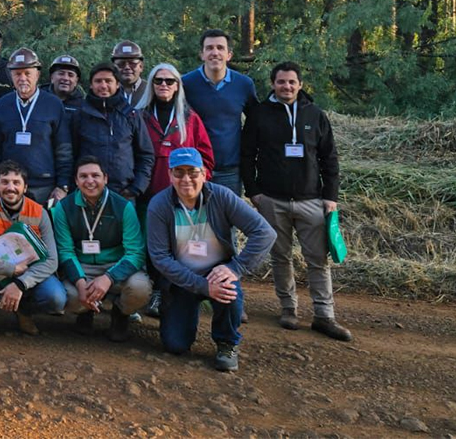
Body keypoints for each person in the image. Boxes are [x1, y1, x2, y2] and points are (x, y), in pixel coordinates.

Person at [241, 61, 352, 342]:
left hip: (311, 200)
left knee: (318, 260)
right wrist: (254, 191)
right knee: (280, 257)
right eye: (281, 82)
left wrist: (331, 197)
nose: (286, 87)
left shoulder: (315, 115)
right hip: (271, 200)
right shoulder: (259, 114)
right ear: (273, 84)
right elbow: (246, 155)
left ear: (300, 84)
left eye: (291, 82)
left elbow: (330, 159)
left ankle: (324, 315)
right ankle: (288, 309)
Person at [148, 147, 274, 372]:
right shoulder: (159, 205)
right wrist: (202, 287)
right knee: (175, 345)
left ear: (204, 173)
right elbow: (160, 257)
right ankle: (185, 313)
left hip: (218, 272)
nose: (186, 179)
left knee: (228, 289)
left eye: (193, 172)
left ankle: (227, 342)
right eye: (178, 172)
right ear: (169, 175)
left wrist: (236, 267)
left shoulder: (222, 196)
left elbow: (264, 232)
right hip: (182, 277)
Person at [0, 162, 65, 340]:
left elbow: (52, 260)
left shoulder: (39, 213)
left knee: (56, 297)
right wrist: (9, 269)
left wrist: (20, 283)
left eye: (16, 182)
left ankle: (24, 311)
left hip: (27, 273)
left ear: (25, 187)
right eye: (5, 182)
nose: (10, 187)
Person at [55, 157, 153, 341]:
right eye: (83, 176)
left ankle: (120, 312)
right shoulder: (64, 207)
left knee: (140, 289)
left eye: (95, 175)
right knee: (68, 295)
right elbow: (65, 251)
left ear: (105, 178)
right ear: (76, 180)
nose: (89, 181)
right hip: (83, 266)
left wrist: (109, 278)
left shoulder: (123, 206)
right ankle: (85, 312)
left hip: (116, 265)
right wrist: (80, 282)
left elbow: (135, 252)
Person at [0, 48, 71, 205]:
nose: (22, 78)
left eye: (27, 73)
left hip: (44, 187)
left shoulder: (53, 104)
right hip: (10, 186)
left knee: (43, 229)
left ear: (37, 75)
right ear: (11, 76)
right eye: (17, 74)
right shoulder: (3, 104)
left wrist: (62, 186)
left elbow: (64, 149)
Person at [182, 29, 259, 198]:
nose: (214, 52)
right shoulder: (186, 84)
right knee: (197, 221)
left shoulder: (244, 85)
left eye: (220, 48)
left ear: (229, 54)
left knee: (227, 221)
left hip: (230, 170)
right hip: (195, 168)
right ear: (202, 54)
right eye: (209, 48)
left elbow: (256, 122)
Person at [70, 64, 155, 199]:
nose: (103, 86)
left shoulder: (131, 115)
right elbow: (71, 155)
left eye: (108, 81)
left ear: (117, 84)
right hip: (87, 191)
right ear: (91, 85)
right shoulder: (79, 115)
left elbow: (146, 155)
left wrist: (137, 188)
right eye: (98, 81)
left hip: (124, 193)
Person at [135, 63, 215, 204]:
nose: (163, 84)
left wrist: (196, 184)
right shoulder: (139, 117)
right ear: (152, 85)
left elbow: (206, 158)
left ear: (177, 86)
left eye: (169, 81)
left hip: (183, 196)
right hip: (144, 195)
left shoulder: (190, 119)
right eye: (158, 80)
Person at [111, 41, 146, 107]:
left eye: (132, 63)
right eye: (121, 64)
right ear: (113, 67)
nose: (127, 67)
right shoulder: (108, 91)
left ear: (141, 67)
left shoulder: (151, 90)